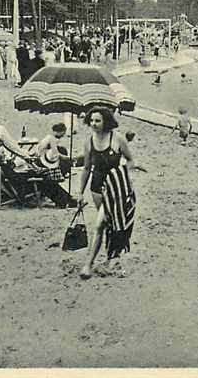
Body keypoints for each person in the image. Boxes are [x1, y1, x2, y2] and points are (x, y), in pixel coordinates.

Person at [78, 107, 136, 279]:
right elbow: (87, 168)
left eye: (98, 121)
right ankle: (113, 257)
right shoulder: (89, 142)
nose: (94, 124)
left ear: (106, 122)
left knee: (99, 225)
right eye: (92, 120)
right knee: (109, 223)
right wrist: (80, 193)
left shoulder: (117, 139)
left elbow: (131, 160)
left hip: (115, 189)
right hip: (96, 189)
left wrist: (124, 176)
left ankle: (88, 265)